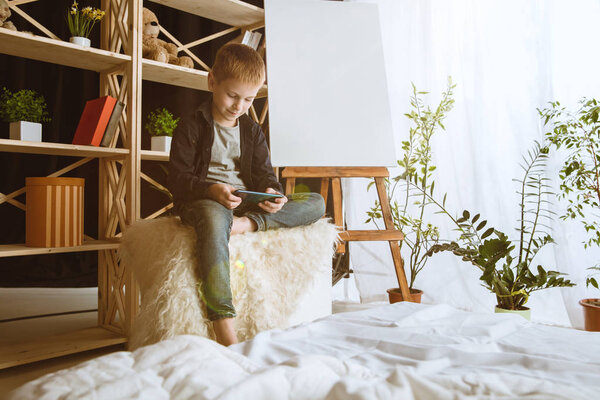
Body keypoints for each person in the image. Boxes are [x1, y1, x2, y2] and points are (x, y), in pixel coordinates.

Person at [167, 43, 325, 346]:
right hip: (206, 200)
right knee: (214, 220)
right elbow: (178, 179)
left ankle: (246, 225)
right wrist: (211, 189)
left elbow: (266, 174)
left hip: (244, 203)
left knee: (314, 202)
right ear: (213, 81)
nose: (239, 105)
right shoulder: (191, 125)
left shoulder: (252, 131)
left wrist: (271, 192)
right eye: (232, 95)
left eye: (249, 99)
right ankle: (223, 323)